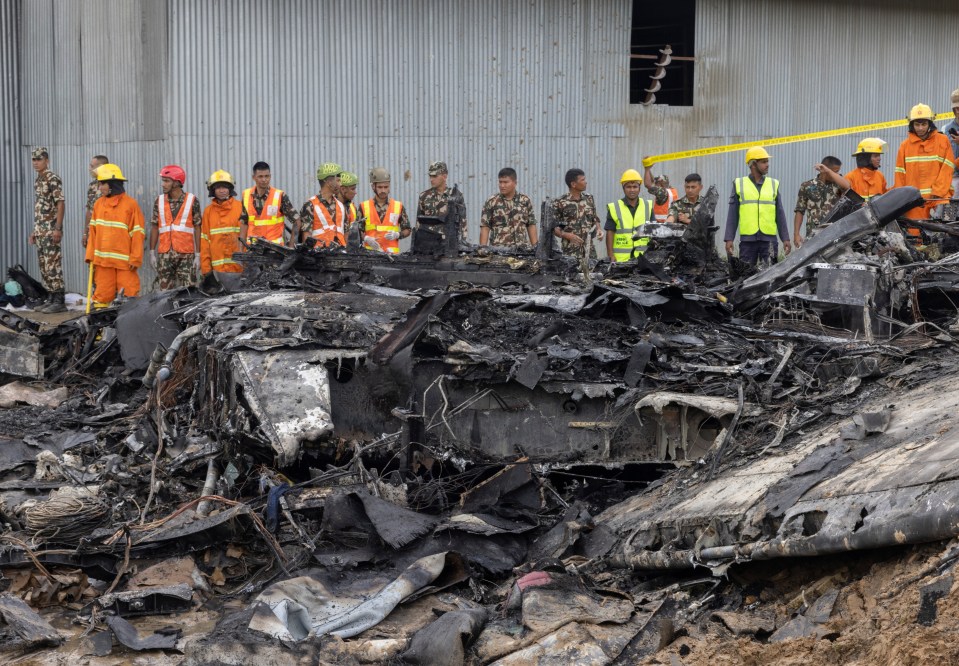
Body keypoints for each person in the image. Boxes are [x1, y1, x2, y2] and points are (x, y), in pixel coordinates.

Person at [85, 164, 144, 307]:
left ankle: (128, 328)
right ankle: (101, 327)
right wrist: (90, 255)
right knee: (102, 297)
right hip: (103, 263)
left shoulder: (130, 205)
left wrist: (135, 258)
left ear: (112, 184)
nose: (100, 188)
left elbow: (138, 233)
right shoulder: (99, 204)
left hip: (125, 265)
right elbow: (93, 232)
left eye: (102, 183)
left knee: (129, 298)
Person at [724, 147, 791, 266]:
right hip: (747, 241)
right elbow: (732, 214)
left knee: (770, 276)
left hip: (769, 240)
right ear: (753, 164)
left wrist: (785, 238)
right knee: (745, 276)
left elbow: (779, 213)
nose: (767, 165)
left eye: (767, 161)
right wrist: (729, 238)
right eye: (764, 162)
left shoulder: (773, 184)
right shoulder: (739, 184)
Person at [894, 103, 955, 235]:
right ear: (912, 125)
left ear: (930, 124)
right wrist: (901, 201)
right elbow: (900, 175)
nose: (920, 128)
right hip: (914, 202)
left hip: (939, 198)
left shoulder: (943, 140)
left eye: (924, 124)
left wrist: (938, 192)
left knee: (947, 236)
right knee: (915, 238)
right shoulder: (904, 146)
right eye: (917, 124)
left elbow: (948, 168)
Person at [149, 165, 201, 290]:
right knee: (164, 294)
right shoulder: (159, 201)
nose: (163, 184)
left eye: (167, 181)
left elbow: (198, 227)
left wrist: (198, 255)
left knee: (189, 292)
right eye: (163, 181)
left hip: (186, 256)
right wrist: (151, 252)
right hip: (164, 255)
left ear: (177, 182)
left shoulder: (192, 200)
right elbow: (155, 227)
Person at [29, 147, 66, 312]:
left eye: (39, 159)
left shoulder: (52, 178)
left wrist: (57, 228)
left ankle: (59, 301)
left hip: (51, 230)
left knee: (53, 265)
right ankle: (50, 297)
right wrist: (35, 231)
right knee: (44, 265)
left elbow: (60, 203)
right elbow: (40, 208)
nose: (36, 163)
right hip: (41, 230)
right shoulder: (39, 179)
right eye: (34, 160)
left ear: (47, 160)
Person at [792, 157, 850, 247]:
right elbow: (800, 210)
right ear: (823, 170)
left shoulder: (839, 184)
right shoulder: (807, 186)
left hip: (834, 233)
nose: (837, 174)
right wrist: (796, 234)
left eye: (837, 171)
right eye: (835, 171)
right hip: (813, 234)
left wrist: (829, 171)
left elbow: (847, 186)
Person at [239, 161, 299, 247]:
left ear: (270, 176)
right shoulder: (246, 195)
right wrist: (241, 252)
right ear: (254, 177)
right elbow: (244, 223)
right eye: (260, 176)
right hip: (253, 250)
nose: (264, 180)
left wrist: (291, 248)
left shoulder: (279, 196)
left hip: (275, 251)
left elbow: (297, 220)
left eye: (266, 176)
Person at [199, 170, 243, 277]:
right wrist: (206, 269)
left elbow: (246, 238)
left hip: (239, 269)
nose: (222, 190)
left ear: (230, 189)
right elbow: (205, 242)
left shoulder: (241, 207)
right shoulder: (208, 212)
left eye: (225, 187)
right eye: (218, 187)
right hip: (218, 272)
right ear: (213, 190)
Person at [479, 168, 537, 247]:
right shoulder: (491, 202)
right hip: (498, 251)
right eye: (500, 182)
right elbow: (485, 227)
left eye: (506, 182)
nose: (502, 185)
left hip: (521, 251)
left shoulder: (525, 201)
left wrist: (535, 247)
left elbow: (531, 225)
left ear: (515, 183)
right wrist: (482, 248)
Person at [604, 169, 653, 262]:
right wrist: (610, 255)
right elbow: (610, 232)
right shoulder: (614, 207)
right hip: (621, 259)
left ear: (639, 188)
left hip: (643, 258)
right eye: (628, 187)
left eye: (635, 187)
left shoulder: (648, 206)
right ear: (623, 188)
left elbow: (653, 232)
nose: (632, 190)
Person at [553, 168, 603, 256]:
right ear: (573, 184)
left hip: (589, 251)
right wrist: (567, 235)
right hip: (570, 252)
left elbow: (595, 218)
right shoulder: (560, 202)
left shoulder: (589, 199)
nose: (586, 182)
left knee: (593, 269)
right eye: (582, 180)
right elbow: (553, 228)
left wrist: (599, 229)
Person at [360, 168, 410, 253]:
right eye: (380, 187)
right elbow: (357, 230)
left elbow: (407, 230)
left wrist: (397, 235)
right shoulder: (364, 206)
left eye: (386, 187)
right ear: (373, 187)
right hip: (370, 256)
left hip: (391, 257)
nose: (383, 190)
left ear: (389, 187)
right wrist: (366, 238)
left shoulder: (398, 206)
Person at [417, 161, 468, 241]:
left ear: (444, 176)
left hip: (449, 244)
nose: (431, 179)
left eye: (434, 176)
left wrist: (461, 243)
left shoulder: (456, 196)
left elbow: (463, 223)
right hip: (429, 245)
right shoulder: (424, 196)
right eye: (430, 176)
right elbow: (419, 224)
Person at [300, 163, 347, 247]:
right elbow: (306, 237)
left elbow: (346, 235)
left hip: (340, 257)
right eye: (338, 180)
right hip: (319, 257)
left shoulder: (341, 206)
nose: (340, 184)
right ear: (328, 182)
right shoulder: (310, 205)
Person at [83, 154, 109, 248]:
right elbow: (89, 211)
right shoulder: (92, 185)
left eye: (92, 166)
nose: (90, 169)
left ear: (101, 167)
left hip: (105, 234)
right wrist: (85, 233)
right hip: (92, 233)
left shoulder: (111, 186)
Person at [942, 89, 959, 195]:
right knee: (951, 210)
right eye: (955, 108)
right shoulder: (945, 129)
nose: (958, 110)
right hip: (952, 177)